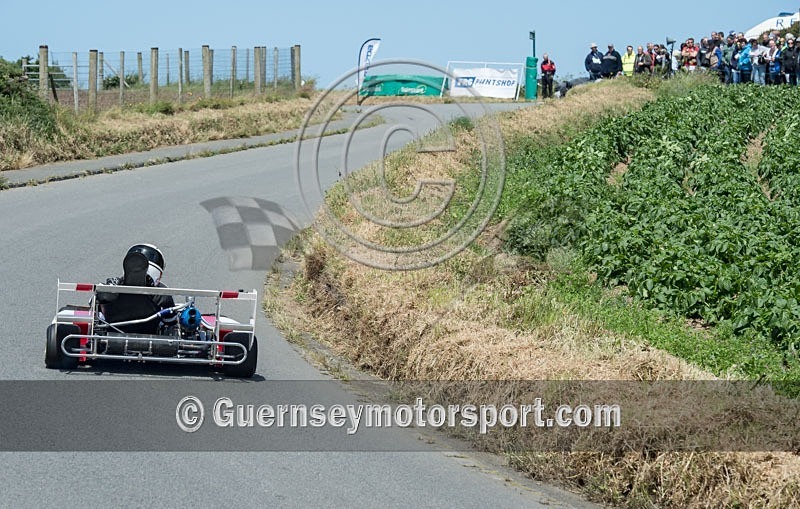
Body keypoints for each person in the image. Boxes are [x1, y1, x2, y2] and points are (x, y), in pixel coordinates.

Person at [99, 243, 177, 333]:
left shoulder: (113, 285)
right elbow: (171, 321)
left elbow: (94, 302)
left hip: (110, 337)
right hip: (151, 340)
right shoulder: (161, 293)